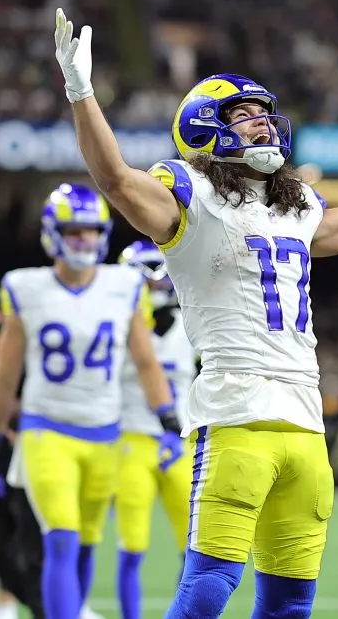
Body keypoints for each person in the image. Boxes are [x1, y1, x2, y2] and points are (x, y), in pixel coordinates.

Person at [52, 7, 338, 616]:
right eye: (243, 116)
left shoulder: (295, 206)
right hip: (234, 415)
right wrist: (82, 91)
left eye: (263, 114)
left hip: (305, 423)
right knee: (206, 589)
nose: (262, 124)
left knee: (290, 605)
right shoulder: (187, 197)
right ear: (205, 131)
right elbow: (116, 180)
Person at [0, 183, 177, 619]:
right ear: (52, 234)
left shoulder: (124, 286)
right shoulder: (26, 287)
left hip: (105, 434)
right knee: (60, 537)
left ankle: (73, 609)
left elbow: (145, 360)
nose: (85, 240)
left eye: (93, 231)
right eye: (74, 231)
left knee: (84, 542)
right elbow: (6, 371)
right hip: (47, 429)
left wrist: (168, 421)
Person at [115, 240, 197, 619]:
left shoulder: (191, 324)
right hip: (132, 438)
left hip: (181, 443)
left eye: (159, 279)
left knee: (195, 547)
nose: (157, 287)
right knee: (131, 546)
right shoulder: (115, 329)